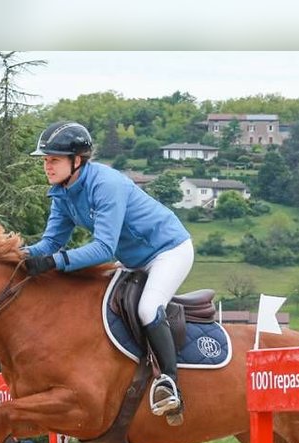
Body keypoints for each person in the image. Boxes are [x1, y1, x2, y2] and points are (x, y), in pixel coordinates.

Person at [21, 121, 194, 423]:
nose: (47, 166)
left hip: (169, 250)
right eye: (46, 160)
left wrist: (54, 262)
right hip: (133, 260)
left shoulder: (105, 185)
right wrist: (16, 256)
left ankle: (169, 383)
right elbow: (51, 242)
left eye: (54, 160)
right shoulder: (62, 192)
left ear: (77, 160)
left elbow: (102, 249)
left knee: (147, 307)